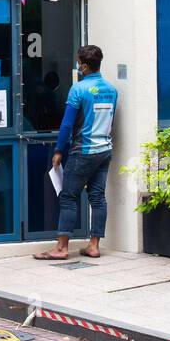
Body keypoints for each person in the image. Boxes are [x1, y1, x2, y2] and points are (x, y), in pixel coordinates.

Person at [34, 44, 116, 260]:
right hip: (105, 150)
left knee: (69, 197)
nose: (78, 66)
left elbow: (67, 125)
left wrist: (59, 150)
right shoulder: (111, 90)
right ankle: (94, 246)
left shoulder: (78, 90)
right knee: (97, 197)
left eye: (79, 63)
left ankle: (61, 248)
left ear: (86, 66)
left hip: (84, 151)